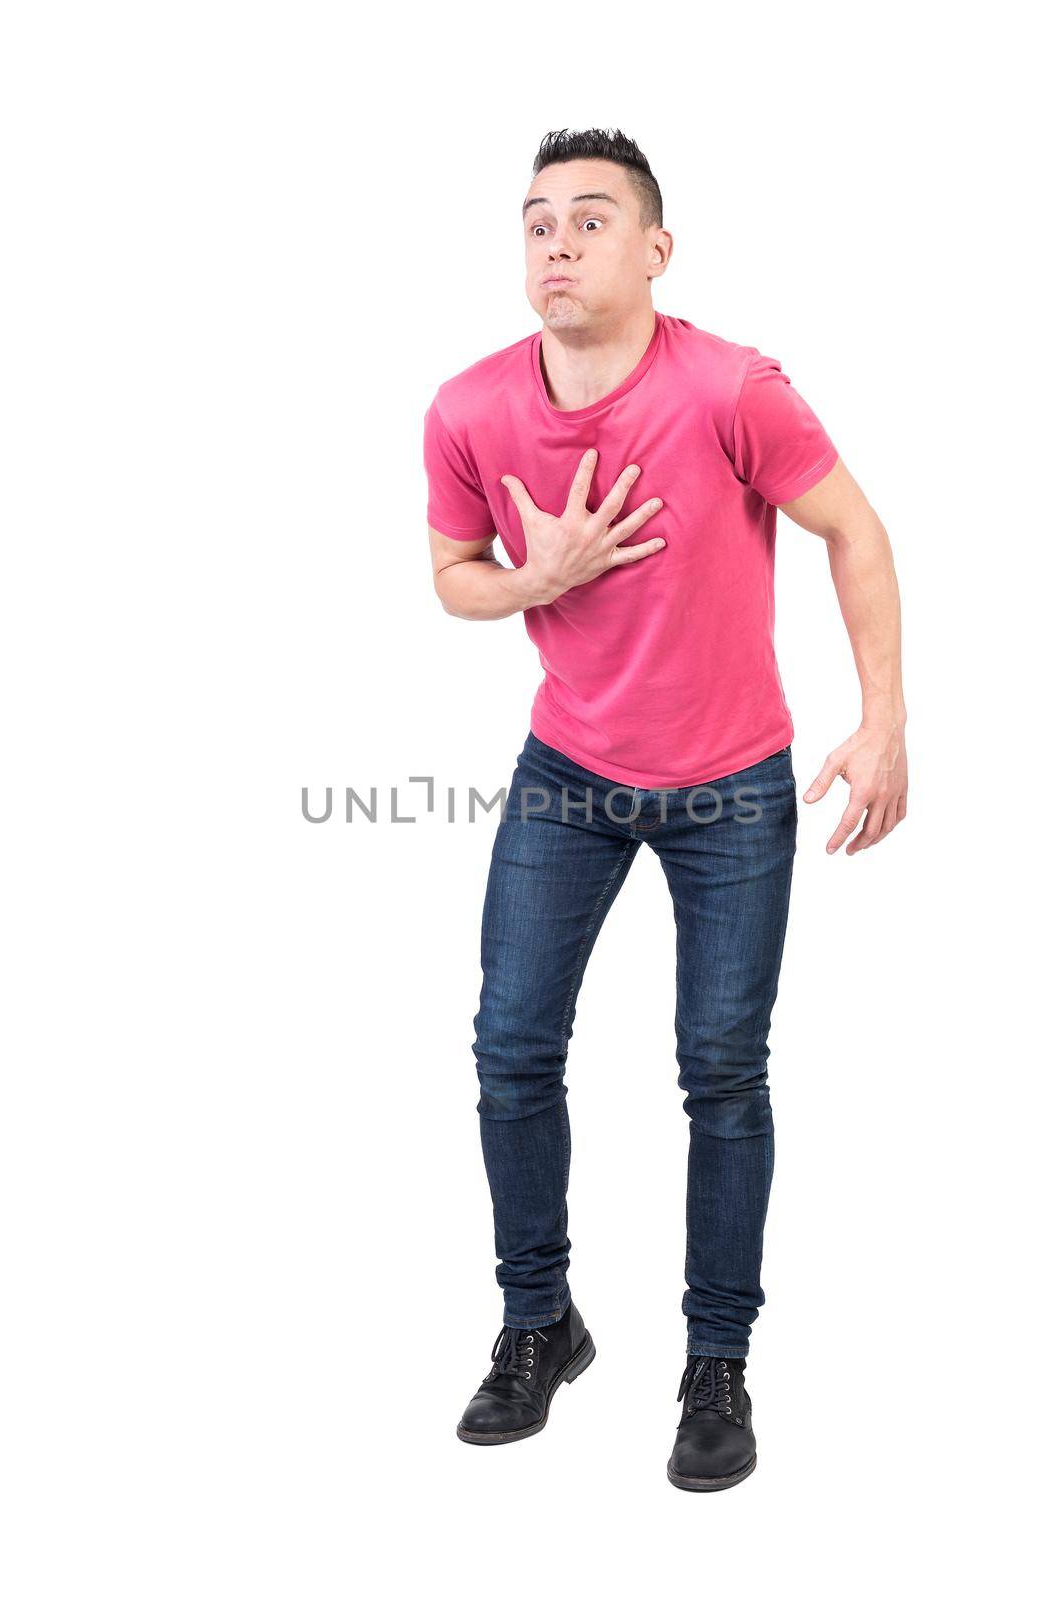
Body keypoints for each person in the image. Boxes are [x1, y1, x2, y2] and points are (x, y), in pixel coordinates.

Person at [422, 127, 907, 1492]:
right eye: (535, 224)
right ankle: (538, 1325)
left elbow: (854, 531)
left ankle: (716, 1365)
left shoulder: (731, 388)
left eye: (588, 220)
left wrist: (885, 722)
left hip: (731, 786)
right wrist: (541, 575)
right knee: (511, 1047)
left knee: (722, 1071)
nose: (556, 244)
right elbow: (454, 571)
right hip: (566, 774)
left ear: (654, 248)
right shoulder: (467, 407)